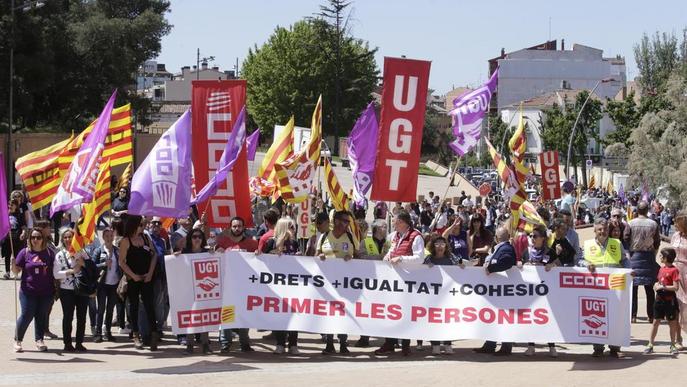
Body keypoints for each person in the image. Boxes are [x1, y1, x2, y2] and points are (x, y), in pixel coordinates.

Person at [374, 210, 425, 356]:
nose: (392, 224)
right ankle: (389, 343)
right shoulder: (396, 236)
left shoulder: (416, 237)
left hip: (408, 281)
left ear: (402, 222)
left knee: (406, 313)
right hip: (394, 281)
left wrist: (401, 259)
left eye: (394, 221)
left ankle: (406, 345)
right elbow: (392, 251)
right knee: (390, 311)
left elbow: (419, 258)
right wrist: (387, 257)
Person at [584, 218, 630, 358]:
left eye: (604, 229)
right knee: (595, 317)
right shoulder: (587, 244)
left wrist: (629, 271)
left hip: (614, 288)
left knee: (615, 317)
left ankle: (615, 347)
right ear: (595, 230)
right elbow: (580, 259)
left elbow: (624, 260)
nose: (602, 232)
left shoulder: (616, 243)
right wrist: (586, 264)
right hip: (596, 287)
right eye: (599, 229)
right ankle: (598, 347)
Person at [316, 211, 358, 355]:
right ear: (336, 221)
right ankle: (329, 343)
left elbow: (358, 257)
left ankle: (343, 343)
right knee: (328, 314)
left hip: (345, 285)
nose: (346, 224)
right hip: (327, 284)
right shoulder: (324, 237)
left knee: (344, 314)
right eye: (344, 221)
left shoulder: (350, 237)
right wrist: (320, 256)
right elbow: (314, 257)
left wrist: (351, 259)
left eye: (348, 222)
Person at [259, 218, 301, 354]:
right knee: (279, 315)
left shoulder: (294, 243)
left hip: (293, 285)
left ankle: (293, 344)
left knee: (294, 315)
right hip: (277, 285)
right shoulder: (272, 241)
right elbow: (263, 259)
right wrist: (281, 241)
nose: (293, 230)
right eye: (290, 227)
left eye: (293, 227)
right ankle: (280, 343)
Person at [473, 226, 516, 355]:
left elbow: (507, 262)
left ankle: (505, 347)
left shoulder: (506, 248)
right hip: (497, 290)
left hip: (503, 290)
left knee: (502, 319)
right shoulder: (502, 248)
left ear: (496, 238)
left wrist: (490, 268)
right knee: (494, 318)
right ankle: (490, 344)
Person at [119, 215, 159, 351]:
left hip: (147, 277)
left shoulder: (146, 238)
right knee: (134, 306)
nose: (143, 227)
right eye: (141, 225)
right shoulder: (126, 241)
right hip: (133, 279)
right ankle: (136, 335)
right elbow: (122, 262)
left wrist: (150, 272)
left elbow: (154, 255)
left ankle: (154, 334)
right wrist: (133, 275)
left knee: (149, 305)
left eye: (143, 225)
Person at [11, 227, 55, 352]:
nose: (36, 240)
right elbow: (16, 272)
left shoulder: (49, 253)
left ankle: (39, 340)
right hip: (28, 291)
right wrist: (13, 264)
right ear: (30, 239)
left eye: (39, 237)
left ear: (43, 239)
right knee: (26, 315)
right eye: (33, 237)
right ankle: (17, 340)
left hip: (46, 292)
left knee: (41, 315)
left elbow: (56, 270)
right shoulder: (24, 252)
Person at [521, 225, 558, 357]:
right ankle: (531, 346)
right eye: (531, 236)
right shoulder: (527, 251)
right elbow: (521, 263)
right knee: (531, 318)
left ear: (542, 238)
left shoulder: (550, 252)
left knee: (549, 319)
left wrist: (552, 265)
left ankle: (552, 346)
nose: (532, 238)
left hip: (547, 293)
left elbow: (559, 265)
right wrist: (522, 264)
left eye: (535, 236)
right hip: (530, 292)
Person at [423, 235, 464, 355]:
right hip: (433, 296)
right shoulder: (429, 259)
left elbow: (461, 267)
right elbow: (421, 273)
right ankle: (435, 345)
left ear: (446, 246)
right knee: (434, 321)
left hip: (448, 295)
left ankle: (447, 344)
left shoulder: (451, 258)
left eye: (442, 243)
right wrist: (426, 268)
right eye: (437, 244)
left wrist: (461, 266)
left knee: (448, 320)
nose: (440, 246)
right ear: (433, 246)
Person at [624, 201, 660, 324]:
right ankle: (651, 315)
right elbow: (657, 242)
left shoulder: (631, 223)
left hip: (634, 256)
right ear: (647, 210)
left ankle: (633, 315)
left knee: (633, 288)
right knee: (649, 288)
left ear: (637, 211)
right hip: (648, 256)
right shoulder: (653, 224)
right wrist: (653, 253)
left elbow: (626, 239)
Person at [54, 229, 90, 352]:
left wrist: (83, 264)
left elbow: (91, 268)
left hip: (82, 288)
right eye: (66, 237)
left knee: (82, 317)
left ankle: (79, 342)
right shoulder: (59, 255)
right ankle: (67, 343)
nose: (68, 239)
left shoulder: (82, 252)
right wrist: (71, 271)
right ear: (62, 239)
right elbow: (56, 274)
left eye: (70, 237)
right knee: (68, 317)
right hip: (66, 290)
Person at [179, 229, 212, 354]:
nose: (197, 239)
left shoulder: (207, 252)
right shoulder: (184, 252)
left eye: (199, 237)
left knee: (205, 316)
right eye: (194, 237)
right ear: (190, 239)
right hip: (188, 289)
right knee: (190, 317)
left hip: (203, 290)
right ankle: (189, 345)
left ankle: (205, 344)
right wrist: (176, 257)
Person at [644, 248, 681, 355]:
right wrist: (656, 285)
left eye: (661, 256)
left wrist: (663, 287)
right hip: (659, 300)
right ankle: (650, 344)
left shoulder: (674, 270)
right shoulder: (661, 269)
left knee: (672, 323)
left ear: (666, 258)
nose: (660, 257)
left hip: (669, 301)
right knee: (655, 322)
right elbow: (658, 282)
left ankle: (673, 345)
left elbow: (675, 287)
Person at [91, 228, 120, 343]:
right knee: (101, 309)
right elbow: (93, 266)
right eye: (107, 236)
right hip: (102, 284)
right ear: (103, 237)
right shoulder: (99, 250)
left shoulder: (117, 251)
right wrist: (103, 264)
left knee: (110, 309)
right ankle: (98, 333)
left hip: (114, 284)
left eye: (111, 236)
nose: (109, 238)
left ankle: (108, 331)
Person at [670, 210, 687, 348]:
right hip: (675, 273)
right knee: (676, 305)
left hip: (686, 274)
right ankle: (678, 339)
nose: (675, 224)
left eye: (677, 222)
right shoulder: (675, 236)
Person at [3, 199, 26, 279]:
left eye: (12, 204)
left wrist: (23, 233)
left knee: (16, 256)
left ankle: (15, 271)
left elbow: (23, 226)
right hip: (7, 238)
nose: (10, 206)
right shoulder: (5, 215)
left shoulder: (19, 215)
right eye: (9, 204)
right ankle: (7, 272)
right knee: (7, 255)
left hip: (16, 238)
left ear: (16, 206)